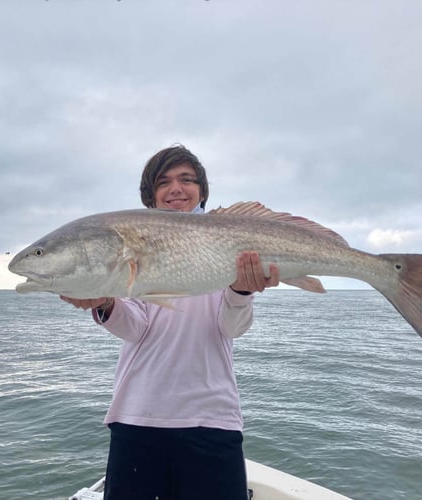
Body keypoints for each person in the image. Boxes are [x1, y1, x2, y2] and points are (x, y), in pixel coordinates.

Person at [61, 145, 279, 500]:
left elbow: (231, 329)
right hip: (137, 416)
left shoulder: (230, 241)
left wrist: (240, 291)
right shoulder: (134, 246)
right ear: (151, 197)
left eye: (186, 179)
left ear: (202, 191)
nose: (176, 188)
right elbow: (137, 329)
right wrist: (103, 301)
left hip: (212, 419)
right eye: (164, 182)